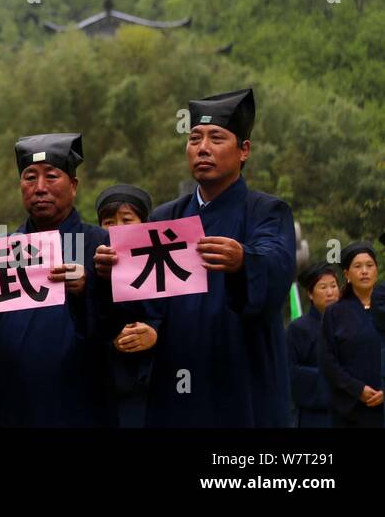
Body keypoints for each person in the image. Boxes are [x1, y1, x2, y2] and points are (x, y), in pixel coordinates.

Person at [95, 88, 296, 426]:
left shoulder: (267, 211)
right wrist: (110, 275)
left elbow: (276, 270)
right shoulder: (164, 217)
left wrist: (244, 261)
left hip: (244, 379)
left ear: (244, 150)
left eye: (216, 138)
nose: (203, 148)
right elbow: (148, 306)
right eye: (194, 139)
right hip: (177, 379)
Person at [0, 133, 114, 427]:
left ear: (73, 186)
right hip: (5, 405)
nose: (40, 188)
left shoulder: (103, 247)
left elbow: (121, 326)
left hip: (80, 404)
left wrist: (87, 291)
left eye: (52, 177)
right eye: (30, 178)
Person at [95, 184, 158, 428]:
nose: (118, 229)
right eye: (109, 222)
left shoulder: (166, 271)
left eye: (127, 220)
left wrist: (154, 332)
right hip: (107, 392)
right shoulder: (91, 273)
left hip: (155, 392)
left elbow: (181, 318)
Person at [318, 242, 385, 427]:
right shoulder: (335, 313)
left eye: (369, 265)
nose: (364, 271)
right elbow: (327, 361)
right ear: (347, 275)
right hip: (349, 409)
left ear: (376, 271)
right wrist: (358, 390)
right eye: (357, 266)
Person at [287, 263, 339, 427]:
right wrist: (336, 380)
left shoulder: (350, 322)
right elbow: (290, 371)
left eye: (333, 286)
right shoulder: (298, 329)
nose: (330, 292)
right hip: (315, 416)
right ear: (310, 293)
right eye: (323, 287)